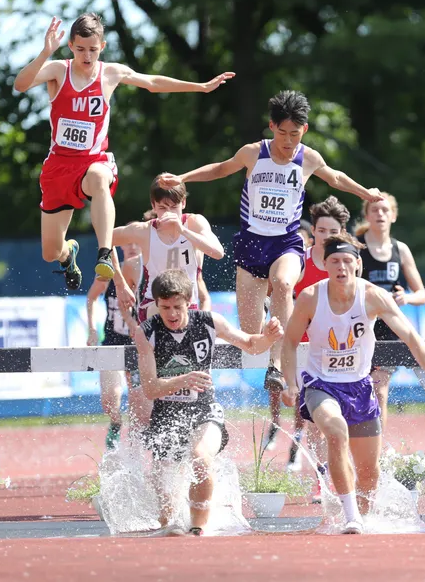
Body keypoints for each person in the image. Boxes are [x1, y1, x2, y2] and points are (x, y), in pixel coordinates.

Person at [158, 90, 382, 442]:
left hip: (286, 242)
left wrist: (365, 194)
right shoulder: (253, 153)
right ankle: (268, 352)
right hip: (251, 242)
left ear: (304, 131)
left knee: (283, 283)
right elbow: (220, 168)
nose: (289, 142)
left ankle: (277, 367)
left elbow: (336, 178)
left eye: (296, 134)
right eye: (283, 134)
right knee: (253, 336)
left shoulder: (308, 158)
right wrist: (183, 177)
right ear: (272, 127)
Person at [13, 13, 234, 293]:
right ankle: (69, 255)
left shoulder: (110, 73)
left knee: (99, 179)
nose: (87, 56)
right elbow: (21, 84)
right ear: (71, 45)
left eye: (93, 49)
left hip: (93, 160)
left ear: (102, 47)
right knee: (50, 251)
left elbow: (152, 82)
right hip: (58, 167)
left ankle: (104, 253)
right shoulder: (58, 70)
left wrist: (199, 87)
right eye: (80, 49)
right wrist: (46, 52)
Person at [281, 233, 425, 534]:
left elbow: (412, 338)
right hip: (321, 383)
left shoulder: (373, 296)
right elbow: (289, 342)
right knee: (336, 433)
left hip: (360, 387)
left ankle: (362, 514)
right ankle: (351, 517)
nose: (341, 267)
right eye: (334, 261)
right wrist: (290, 382)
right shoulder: (311, 297)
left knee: (369, 475)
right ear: (325, 264)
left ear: (358, 264)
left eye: (347, 261)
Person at [133, 269, 284, 536]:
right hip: (166, 415)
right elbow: (150, 388)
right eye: (165, 307)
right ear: (156, 304)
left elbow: (250, 344)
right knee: (167, 512)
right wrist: (184, 379)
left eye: (177, 307)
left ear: (189, 303)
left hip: (204, 410)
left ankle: (198, 528)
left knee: (200, 458)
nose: (171, 314)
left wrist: (269, 337)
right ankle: (172, 527)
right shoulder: (147, 332)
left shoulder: (209, 323)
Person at [109, 175, 225, 437]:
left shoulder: (194, 222)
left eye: (173, 207)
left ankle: (199, 408)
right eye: (162, 208)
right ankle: (152, 391)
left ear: (183, 204)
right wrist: (119, 282)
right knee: (161, 319)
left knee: (195, 336)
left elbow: (218, 252)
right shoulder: (144, 230)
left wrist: (183, 230)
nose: (168, 213)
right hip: (155, 305)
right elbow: (104, 239)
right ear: (153, 206)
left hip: (189, 307)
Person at [285, 197, 350, 476]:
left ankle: (337, 470)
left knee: (338, 418)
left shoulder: (348, 262)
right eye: (321, 231)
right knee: (314, 419)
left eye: (332, 232)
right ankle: (322, 476)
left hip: (340, 350)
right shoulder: (300, 259)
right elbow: (283, 292)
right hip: (304, 348)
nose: (326, 237)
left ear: (341, 234)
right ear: (313, 231)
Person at [353, 193, 425, 431]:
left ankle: (378, 452)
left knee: (379, 389)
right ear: (367, 215)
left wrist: (405, 297)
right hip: (358, 328)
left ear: (393, 216)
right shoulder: (356, 247)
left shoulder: (401, 250)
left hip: (389, 330)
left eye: (385, 210)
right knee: (355, 392)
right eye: (374, 210)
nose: (380, 214)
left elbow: (423, 294)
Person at [86, 243, 145, 448]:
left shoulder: (151, 273)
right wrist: (92, 329)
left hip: (141, 346)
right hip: (112, 342)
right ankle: (115, 422)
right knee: (110, 399)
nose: (132, 246)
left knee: (140, 400)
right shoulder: (110, 272)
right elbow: (92, 297)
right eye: (127, 242)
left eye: (135, 241)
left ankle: (136, 440)